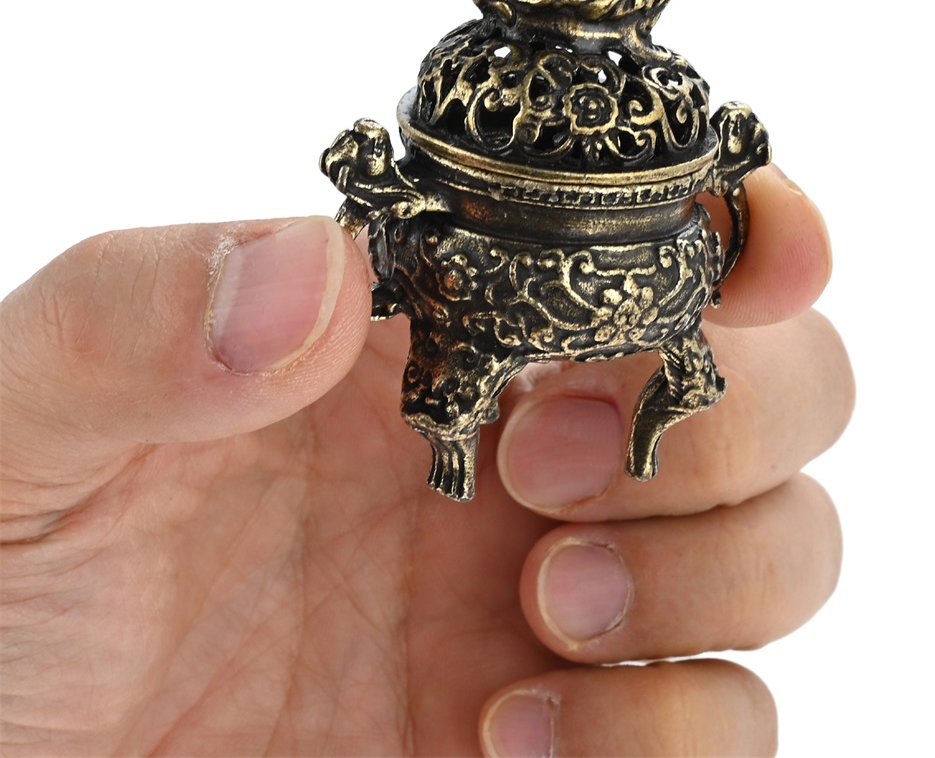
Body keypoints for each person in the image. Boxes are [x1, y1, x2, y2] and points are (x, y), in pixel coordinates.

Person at [0, 164, 852, 757]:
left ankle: (631, 439)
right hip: (558, 247)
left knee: (685, 388)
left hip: (625, 235)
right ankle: (551, 441)